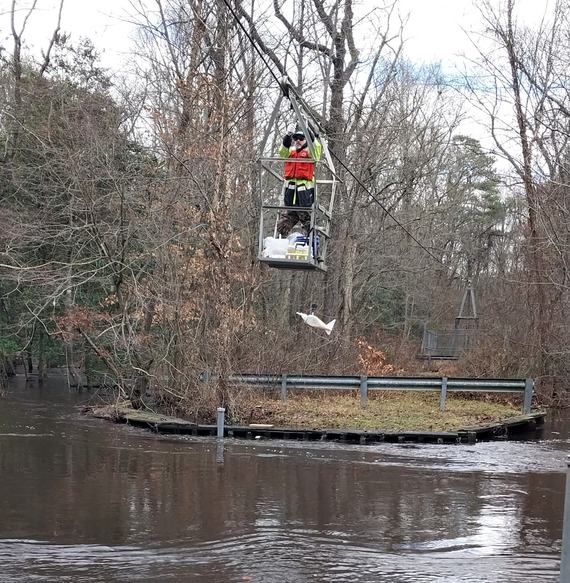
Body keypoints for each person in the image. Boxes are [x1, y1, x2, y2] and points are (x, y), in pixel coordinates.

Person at [276, 127, 322, 238]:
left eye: (301, 138)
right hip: (291, 195)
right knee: (283, 225)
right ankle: (280, 244)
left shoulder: (310, 152)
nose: (297, 141)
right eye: (295, 138)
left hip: (305, 195)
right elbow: (283, 152)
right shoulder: (291, 151)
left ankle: (312, 245)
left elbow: (316, 150)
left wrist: (310, 134)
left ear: (306, 140)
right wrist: (287, 136)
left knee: (308, 222)